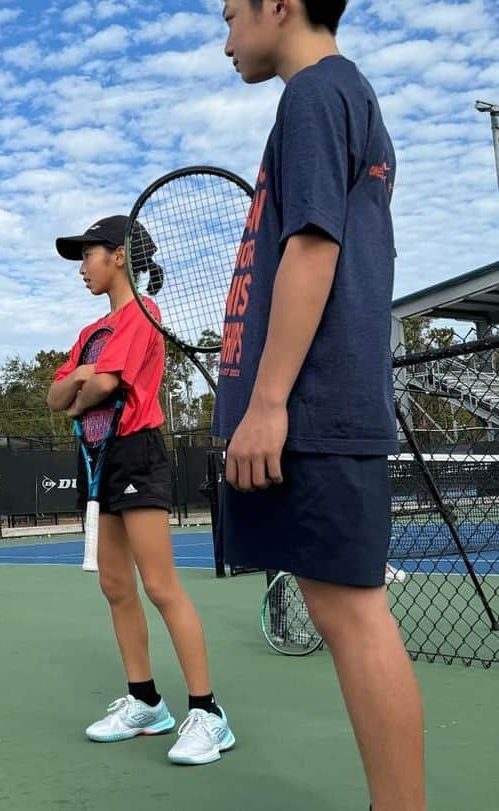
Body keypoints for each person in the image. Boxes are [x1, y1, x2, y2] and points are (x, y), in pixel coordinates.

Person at [216, 2, 422, 809]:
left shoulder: (313, 94)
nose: (226, 37)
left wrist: (268, 403)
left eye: (232, 14)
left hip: (314, 406)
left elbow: (312, 245)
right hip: (325, 402)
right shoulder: (345, 96)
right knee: (346, 612)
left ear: (279, 5)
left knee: (353, 613)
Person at [47, 215, 234, 765]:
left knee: (160, 585)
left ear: (119, 256)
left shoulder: (145, 314)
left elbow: (100, 384)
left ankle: (208, 711)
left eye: (89, 255)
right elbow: (55, 397)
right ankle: (146, 701)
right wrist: (79, 384)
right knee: (114, 585)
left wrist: (82, 382)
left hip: (138, 453)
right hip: (98, 460)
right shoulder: (90, 333)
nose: (82, 267)